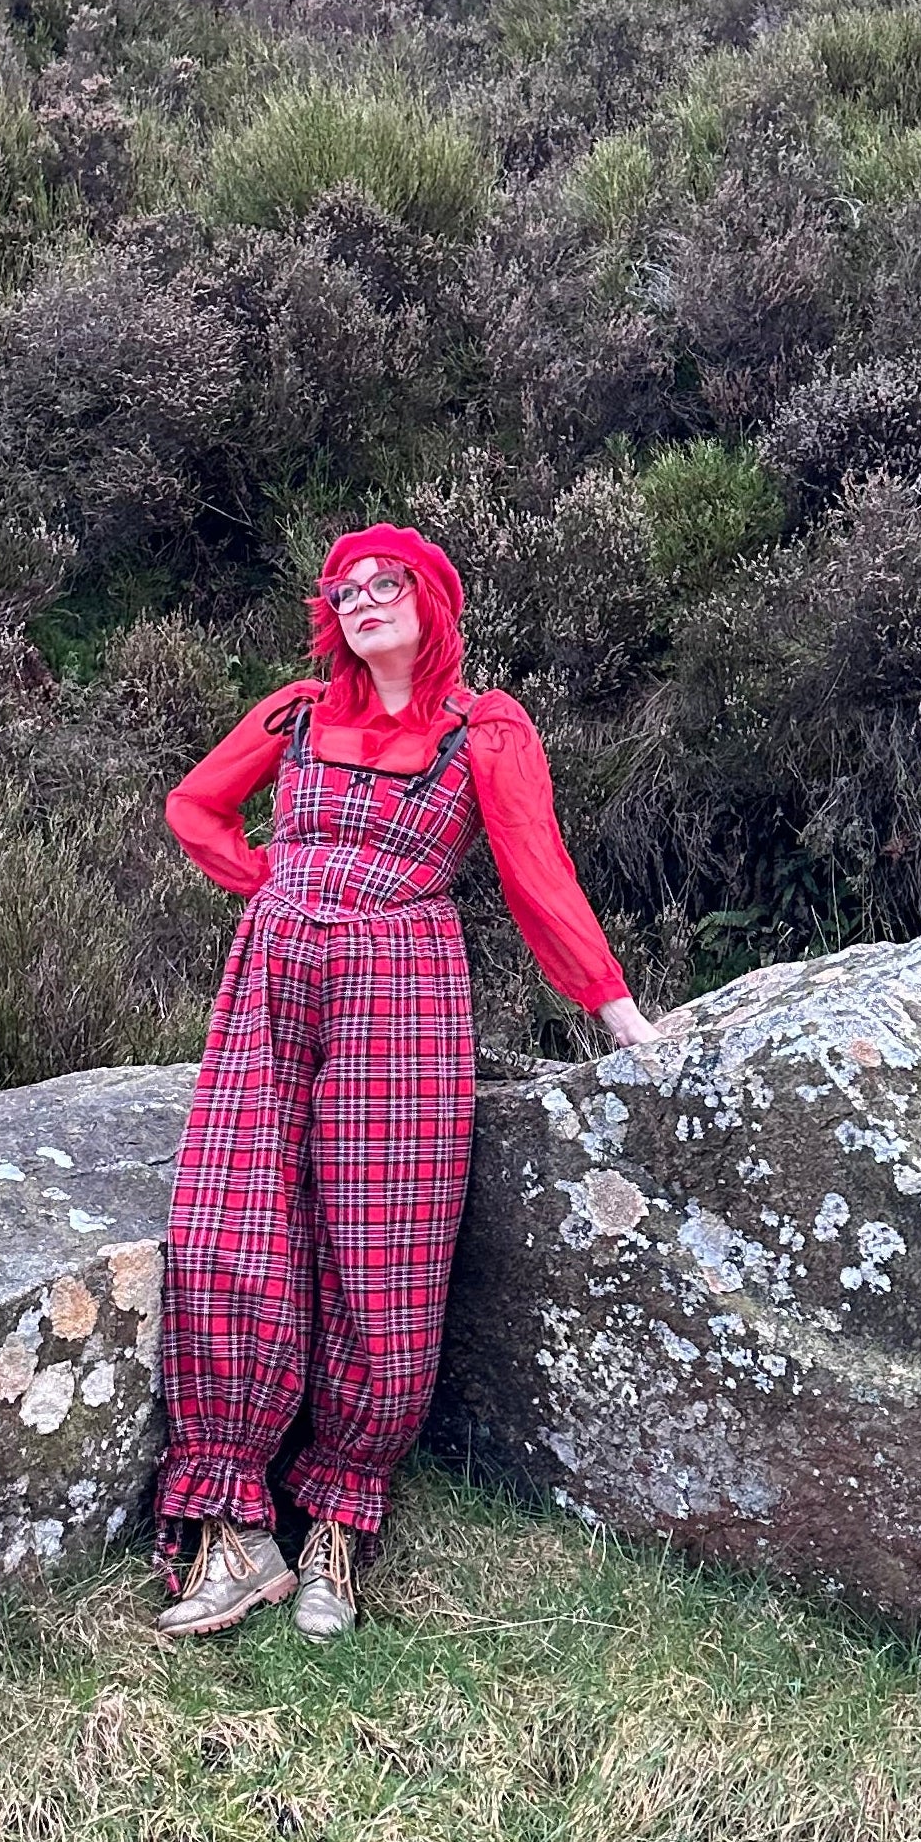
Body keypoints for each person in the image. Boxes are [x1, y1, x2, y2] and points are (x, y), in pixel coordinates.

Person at [152, 523, 662, 1642]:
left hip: (401, 985)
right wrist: (273, 879)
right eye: (346, 589)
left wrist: (612, 1005)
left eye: (389, 583)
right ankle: (232, 1529)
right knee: (228, 1216)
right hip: (271, 976)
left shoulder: (485, 729)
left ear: (433, 601)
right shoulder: (295, 713)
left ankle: (337, 1520)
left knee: (384, 1240)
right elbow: (195, 805)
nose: (365, 600)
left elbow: (536, 871)